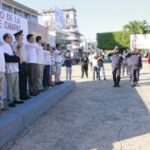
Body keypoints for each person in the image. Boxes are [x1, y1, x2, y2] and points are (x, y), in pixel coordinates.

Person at [3, 33, 24, 107]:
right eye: (10, 37)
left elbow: (14, 56)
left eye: (11, 37)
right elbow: (7, 58)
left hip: (15, 68)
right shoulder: (4, 46)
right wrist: (17, 59)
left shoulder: (10, 46)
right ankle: (10, 101)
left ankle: (17, 99)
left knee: (16, 86)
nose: (12, 39)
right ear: (6, 39)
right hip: (10, 69)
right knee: (11, 86)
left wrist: (16, 58)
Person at [12, 30, 30, 100]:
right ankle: (20, 95)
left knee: (25, 80)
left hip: (25, 64)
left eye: (22, 35)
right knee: (20, 81)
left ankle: (24, 94)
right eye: (20, 35)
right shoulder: (15, 43)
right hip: (20, 64)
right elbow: (18, 47)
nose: (22, 37)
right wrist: (19, 39)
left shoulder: (23, 43)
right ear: (17, 37)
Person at [0, 41, 8, 111]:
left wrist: (4, 68)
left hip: (2, 71)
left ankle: (1, 105)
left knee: (1, 89)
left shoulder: (2, 46)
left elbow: (3, 59)